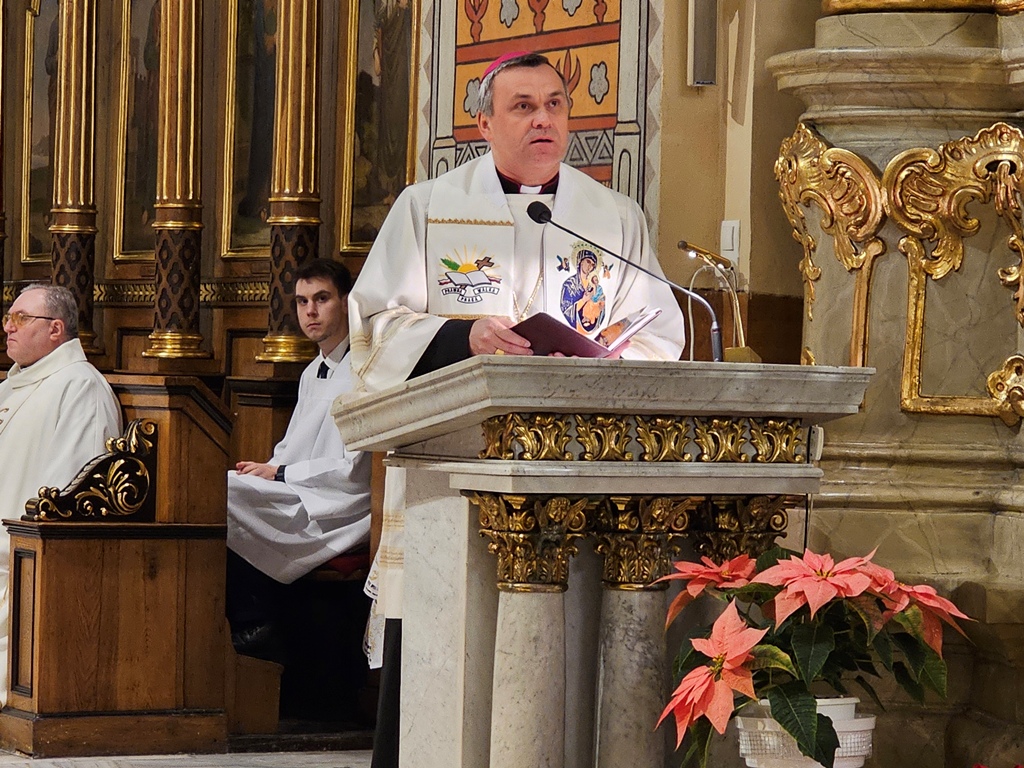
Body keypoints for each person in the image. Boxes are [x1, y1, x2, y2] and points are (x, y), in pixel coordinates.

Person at [347, 51, 685, 767]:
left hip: (579, 472)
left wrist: (599, 361)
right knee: (442, 671)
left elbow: (660, 333)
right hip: (455, 476)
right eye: (523, 106)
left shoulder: (611, 218)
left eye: (555, 105)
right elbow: (374, 328)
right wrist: (463, 337)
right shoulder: (430, 208)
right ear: (484, 124)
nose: (543, 120)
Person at [226, 259, 372, 659]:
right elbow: (293, 447)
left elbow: (356, 469)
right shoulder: (313, 371)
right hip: (304, 488)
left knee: (225, 496)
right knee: (220, 489)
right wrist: (266, 471)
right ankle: (251, 615)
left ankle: (257, 619)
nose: (310, 311)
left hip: (340, 506)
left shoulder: (365, 371)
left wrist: (279, 472)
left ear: (346, 302)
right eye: (302, 301)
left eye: (322, 299)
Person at [0, 284, 122, 701]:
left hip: (23, 563)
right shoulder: (12, 386)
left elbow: (69, 494)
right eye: (8, 318)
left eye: (20, 319)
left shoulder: (80, 388)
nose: (8, 327)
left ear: (56, 329)